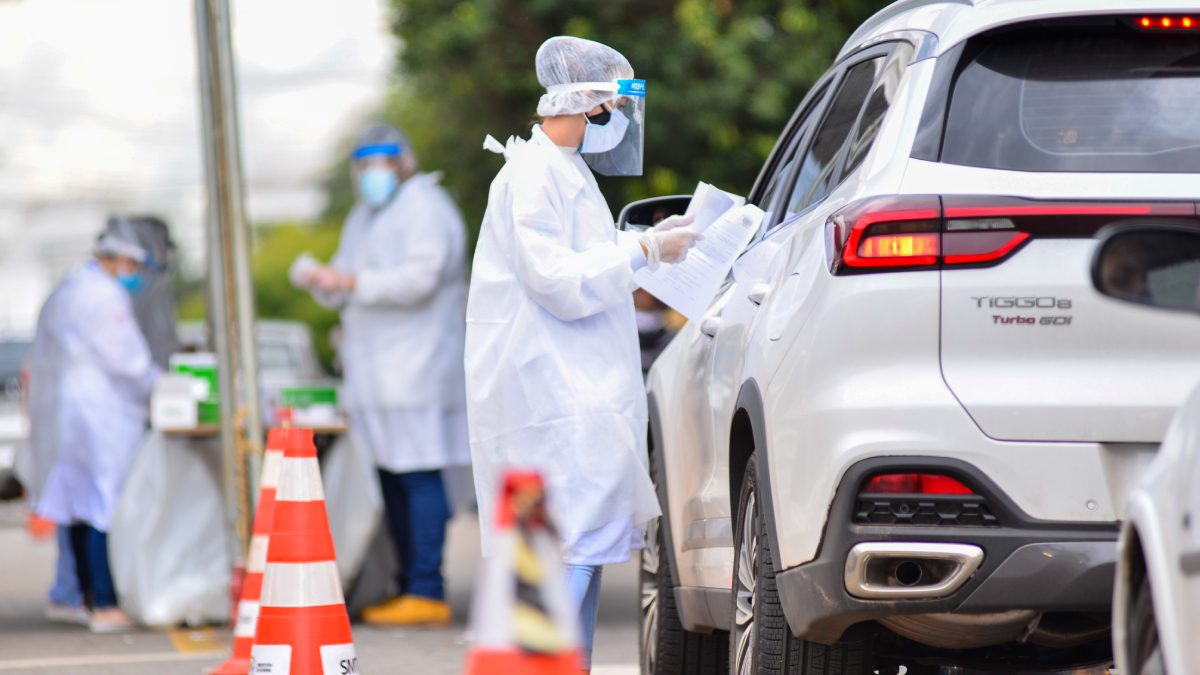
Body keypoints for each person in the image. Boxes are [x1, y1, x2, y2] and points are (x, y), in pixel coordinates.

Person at [467, 36, 702, 672]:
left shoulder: (564, 171)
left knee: (583, 548)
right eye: (615, 103)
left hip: (579, 393)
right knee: (567, 552)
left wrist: (644, 246)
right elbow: (558, 281)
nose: (620, 120)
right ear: (590, 103)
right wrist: (645, 252)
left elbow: (579, 265)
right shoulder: (532, 174)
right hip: (557, 398)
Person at [293, 123, 471, 628]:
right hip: (378, 368)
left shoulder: (427, 208)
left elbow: (419, 280)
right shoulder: (365, 215)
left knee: (417, 471)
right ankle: (406, 585)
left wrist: (348, 280)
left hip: (417, 364)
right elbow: (348, 278)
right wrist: (323, 280)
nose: (373, 174)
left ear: (406, 161)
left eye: (382, 161)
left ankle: (427, 588)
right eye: (364, 164)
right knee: (392, 475)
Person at [27, 217, 160, 632]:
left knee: (78, 504)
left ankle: (80, 597)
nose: (135, 276)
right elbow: (127, 361)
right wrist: (163, 386)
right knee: (103, 504)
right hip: (99, 411)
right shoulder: (103, 296)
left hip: (66, 409)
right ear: (122, 259)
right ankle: (105, 602)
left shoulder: (67, 288)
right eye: (135, 267)